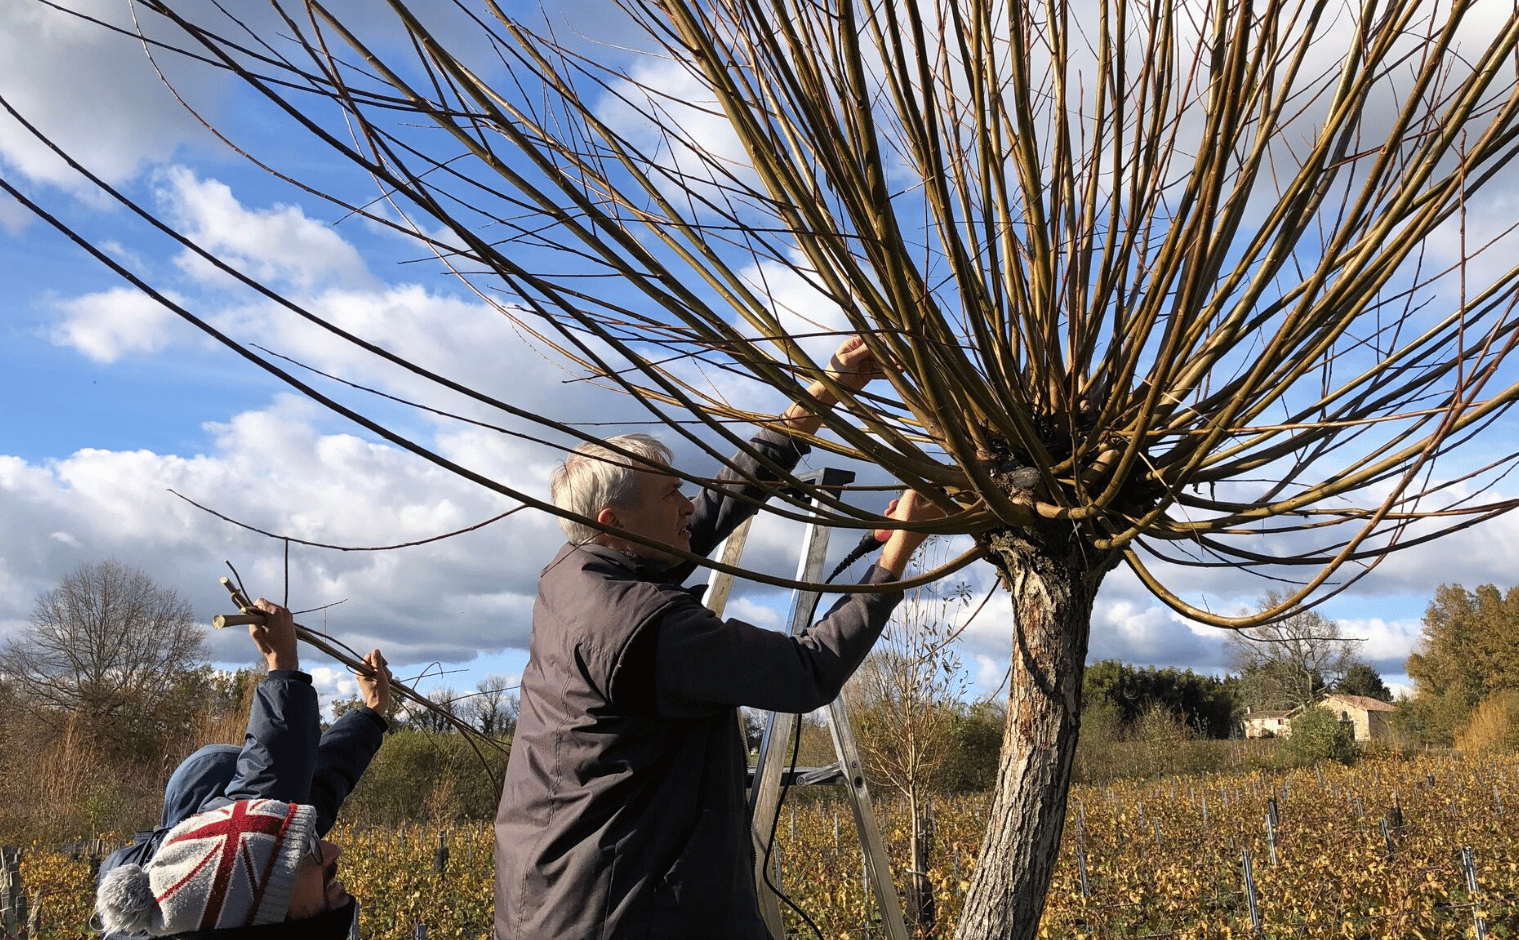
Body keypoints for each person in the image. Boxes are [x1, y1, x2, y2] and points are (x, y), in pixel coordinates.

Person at [494, 337, 944, 940]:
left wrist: (826, 391)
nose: (687, 504)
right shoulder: (640, 626)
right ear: (616, 524)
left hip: (565, 904)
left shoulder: (579, 570)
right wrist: (896, 554)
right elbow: (807, 671)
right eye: (670, 494)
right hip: (623, 917)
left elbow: (719, 504)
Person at [92, 599, 392, 940]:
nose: (332, 850)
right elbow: (278, 794)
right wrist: (285, 667)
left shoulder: (233, 893)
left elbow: (293, 795)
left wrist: (368, 713)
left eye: (304, 851)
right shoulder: (247, 886)